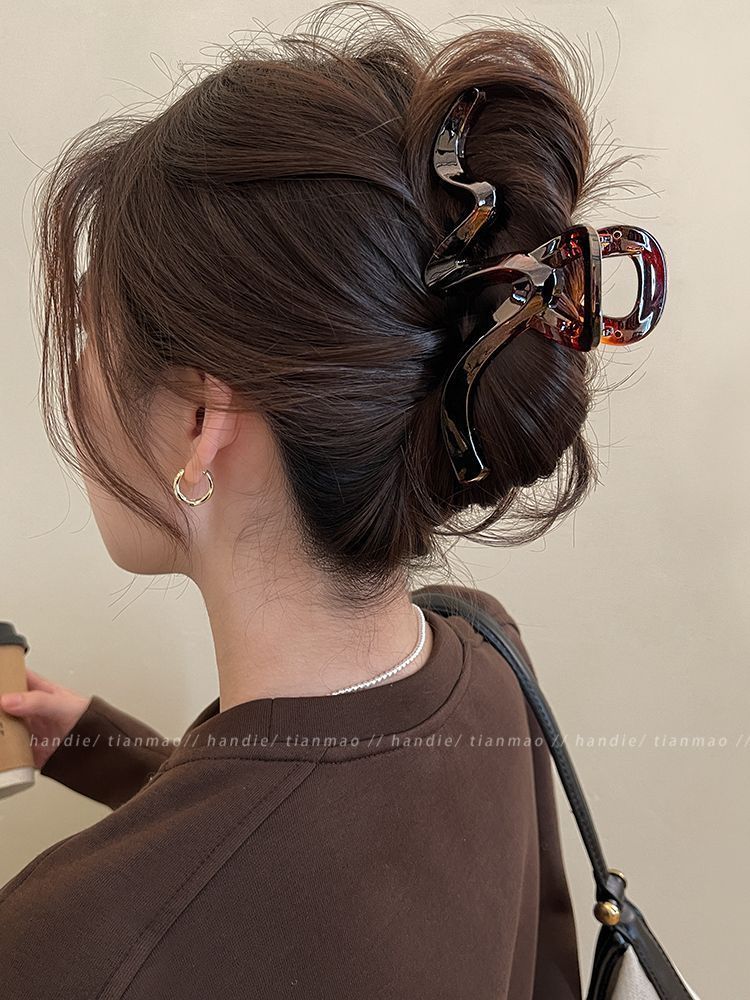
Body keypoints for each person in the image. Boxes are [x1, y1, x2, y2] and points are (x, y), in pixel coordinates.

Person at [0, 3, 663, 996]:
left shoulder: (59, 949)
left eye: (93, 328)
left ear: (200, 420)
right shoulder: (488, 658)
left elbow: (223, 895)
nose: (77, 373)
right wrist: (103, 752)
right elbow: (315, 870)